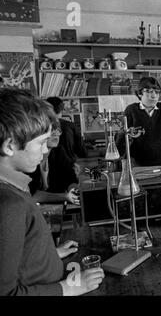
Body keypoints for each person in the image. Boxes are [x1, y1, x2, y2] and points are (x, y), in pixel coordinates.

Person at [0, 88, 104, 295]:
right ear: (10, 145)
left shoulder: (14, 187)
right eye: (40, 143)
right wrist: (70, 287)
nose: (46, 149)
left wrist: (48, 254)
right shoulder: (9, 204)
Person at [116, 77, 161, 167]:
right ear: (140, 93)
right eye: (148, 91)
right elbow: (122, 138)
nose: (154, 96)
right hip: (136, 164)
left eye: (157, 92)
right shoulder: (131, 110)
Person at [28, 119, 80, 206]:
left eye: (58, 130)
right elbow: (30, 194)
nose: (56, 134)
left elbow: (70, 177)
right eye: (52, 131)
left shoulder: (58, 151)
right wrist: (66, 196)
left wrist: (74, 190)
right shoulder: (29, 158)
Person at [46, 96, 87, 174]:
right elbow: (82, 152)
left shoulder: (40, 127)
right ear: (62, 110)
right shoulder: (71, 126)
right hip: (67, 167)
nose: (56, 134)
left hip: (49, 167)